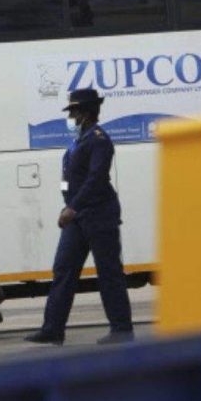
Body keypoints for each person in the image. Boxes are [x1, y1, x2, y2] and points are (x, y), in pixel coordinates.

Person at [25, 89, 134, 346]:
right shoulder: (80, 140)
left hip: (99, 215)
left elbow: (96, 178)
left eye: (74, 111)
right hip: (77, 217)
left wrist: (72, 206)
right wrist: (68, 203)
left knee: (109, 272)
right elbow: (69, 179)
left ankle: (122, 329)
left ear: (86, 113)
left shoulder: (99, 140)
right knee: (63, 270)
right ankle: (52, 329)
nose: (71, 116)